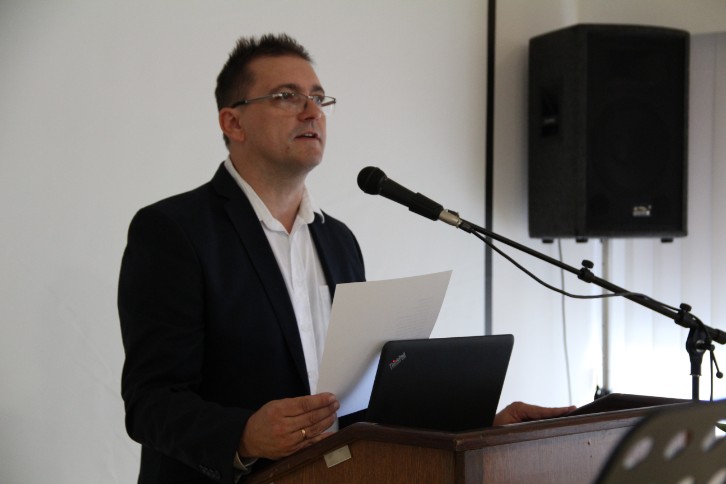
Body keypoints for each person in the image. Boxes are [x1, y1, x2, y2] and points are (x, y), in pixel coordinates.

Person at [118, 33, 573, 483]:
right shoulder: (174, 231)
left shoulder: (338, 241)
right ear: (233, 123)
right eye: (286, 96)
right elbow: (150, 401)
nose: (311, 111)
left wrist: (478, 426)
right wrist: (244, 435)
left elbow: (358, 404)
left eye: (318, 98)